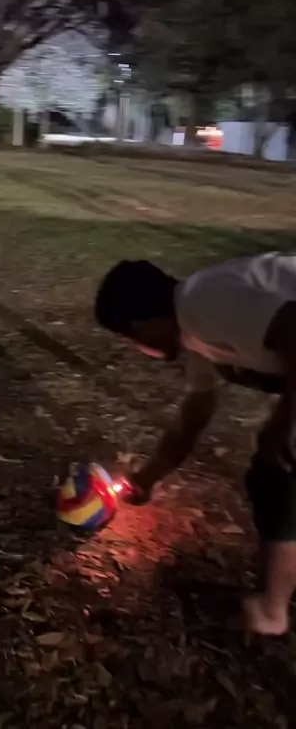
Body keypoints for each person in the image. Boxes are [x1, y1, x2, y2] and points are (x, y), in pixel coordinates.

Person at [95, 254, 296, 636]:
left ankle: (270, 611)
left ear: (140, 326)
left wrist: (286, 423)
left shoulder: (204, 302)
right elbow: (192, 420)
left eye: (130, 339)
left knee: (276, 470)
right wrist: (145, 479)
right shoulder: (196, 333)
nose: (139, 349)